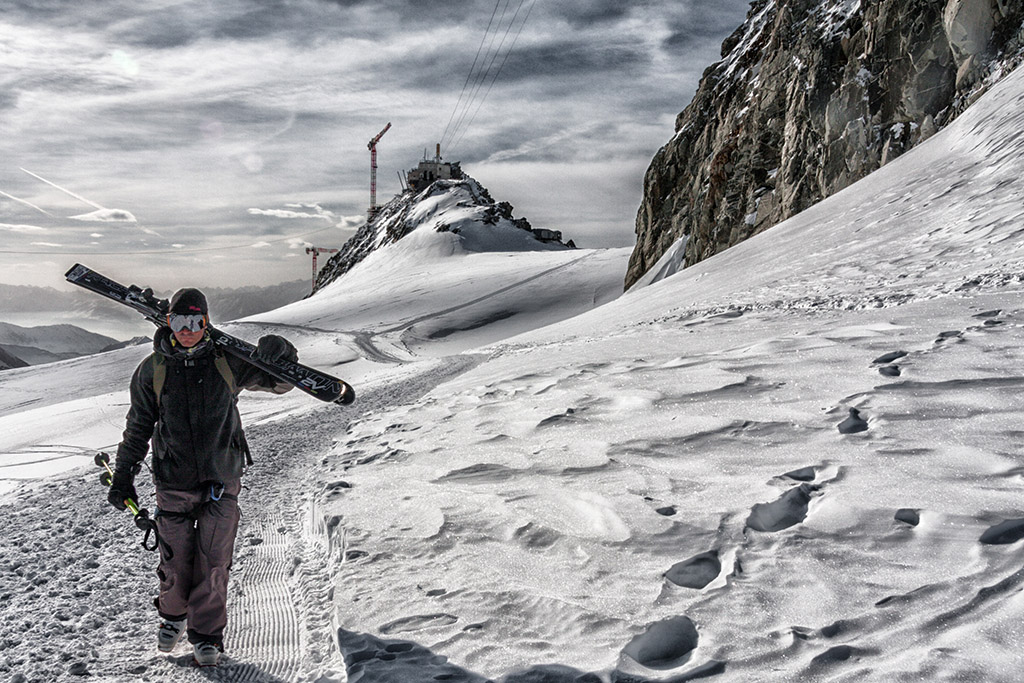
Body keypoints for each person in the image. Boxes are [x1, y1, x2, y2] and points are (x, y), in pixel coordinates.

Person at [106, 287, 297, 667]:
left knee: (213, 562)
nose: (188, 329)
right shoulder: (153, 369)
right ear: (168, 322)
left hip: (221, 479)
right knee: (176, 562)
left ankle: (207, 635)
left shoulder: (228, 360)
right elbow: (138, 427)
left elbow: (280, 381)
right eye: (180, 321)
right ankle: (173, 617)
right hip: (172, 482)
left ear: (207, 322)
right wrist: (123, 474)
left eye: (196, 321)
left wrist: (282, 353)